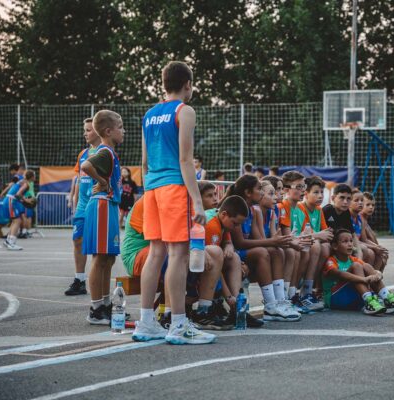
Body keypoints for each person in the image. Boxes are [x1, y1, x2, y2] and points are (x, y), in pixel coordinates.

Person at [133, 61, 215, 345]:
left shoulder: (150, 113)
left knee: (156, 253)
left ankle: (146, 322)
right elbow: (185, 159)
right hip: (174, 187)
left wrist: (148, 191)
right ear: (188, 85)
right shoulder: (185, 111)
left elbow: (143, 162)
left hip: (152, 189)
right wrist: (198, 201)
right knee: (178, 255)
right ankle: (178, 324)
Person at [224, 175, 299, 321]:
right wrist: (273, 241)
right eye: (259, 189)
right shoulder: (237, 207)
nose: (262, 193)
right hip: (232, 252)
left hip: (242, 251)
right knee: (263, 251)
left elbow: (259, 240)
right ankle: (270, 304)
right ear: (248, 192)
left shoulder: (254, 210)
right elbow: (240, 242)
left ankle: (280, 300)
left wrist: (275, 242)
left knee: (275, 251)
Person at [81, 110, 124, 325]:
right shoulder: (105, 151)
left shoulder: (110, 153)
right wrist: (102, 181)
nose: (123, 131)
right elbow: (86, 165)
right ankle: (96, 308)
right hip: (101, 206)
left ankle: (106, 303)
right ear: (108, 131)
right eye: (120, 127)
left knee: (109, 258)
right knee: (99, 258)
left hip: (109, 206)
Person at [206, 195, 264, 328]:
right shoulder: (212, 225)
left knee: (234, 258)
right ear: (224, 214)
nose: (235, 227)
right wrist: (228, 296)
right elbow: (216, 267)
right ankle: (233, 306)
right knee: (221, 258)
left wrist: (229, 245)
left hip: (210, 262)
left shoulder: (222, 220)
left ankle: (237, 310)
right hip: (197, 264)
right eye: (235, 223)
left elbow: (227, 241)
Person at [322, 229, 394, 315]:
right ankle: (369, 301)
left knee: (366, 266)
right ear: (335, 246)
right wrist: (364, 279)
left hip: (351, 298)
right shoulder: (331, 261)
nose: (350, 244)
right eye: (345, 242)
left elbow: (370, 270)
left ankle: (387, 297)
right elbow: (340, 274)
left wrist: (377, 274)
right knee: (356, 265)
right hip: (335, 299)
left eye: (351, 241)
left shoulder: (353, 259)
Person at [65, 118, 101, 295]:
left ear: (98, 131)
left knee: (96, 247)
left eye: (88, 130)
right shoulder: (83, 154)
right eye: (85, 130)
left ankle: (99, 290)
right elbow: (79, 179)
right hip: (82, 206)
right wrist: (75, 201)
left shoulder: (105, 152)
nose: (85, 133)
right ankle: (79, 279)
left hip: (97, 204)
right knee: (77, 240)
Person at [291, 176, 333, 307]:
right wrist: (319, 235)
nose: (320, 196)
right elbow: (304, 236)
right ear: (306, 193)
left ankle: (310, 288)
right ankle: (305, 291)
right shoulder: (299, 208)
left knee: (326, 247)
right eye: (316, 192)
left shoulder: (319, 210)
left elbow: (327, 233)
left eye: (322, 192)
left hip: (311, 243)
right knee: (315, 245)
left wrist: (320, 235)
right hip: (301, 243)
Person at [279, 171, 318, 312]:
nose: (303, 190)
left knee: (308, 248)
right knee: (295, 250)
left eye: (304, 186)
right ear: (286, 189)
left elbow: (304, 234)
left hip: (292, 244)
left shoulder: (300, 211)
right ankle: (285, 297)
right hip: (281, 246)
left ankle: (294, 294)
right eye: (299, 187)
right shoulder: (282, 207)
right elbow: (286, 237)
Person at [1, 170, 35, 250]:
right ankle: (11, 243)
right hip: (11, 201)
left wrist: (24, 199)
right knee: (17, 221)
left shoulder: (22, 181)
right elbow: (18, 194)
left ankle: (8, 241)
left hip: (9, 200)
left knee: (15, 221)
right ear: (32, 177)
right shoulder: (26, 184)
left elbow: (18, 194)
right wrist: (26, 200)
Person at [360, 192, 389, 272]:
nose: (371, 207)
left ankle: (376, 278)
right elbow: (363, 239)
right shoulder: (360, 219)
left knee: (383, 253)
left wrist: (378, 247)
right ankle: (373, 279)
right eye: (368, 205)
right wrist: (376, 247)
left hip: (368, 246)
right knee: (379, 254)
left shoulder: (365, 220)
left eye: (373, 205)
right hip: (364, 247)